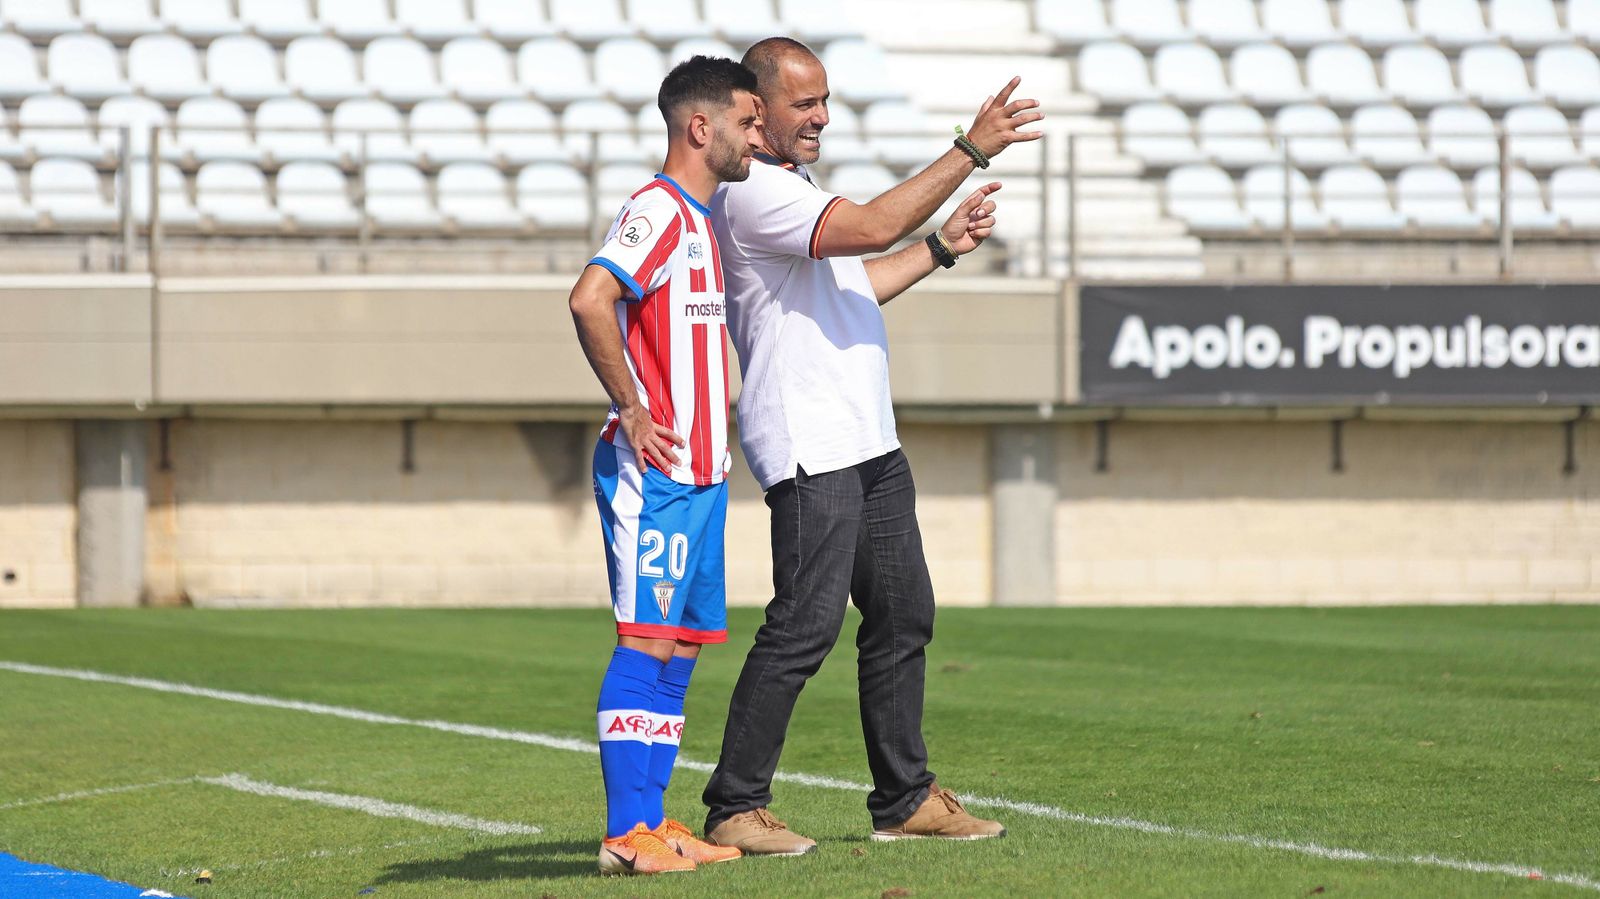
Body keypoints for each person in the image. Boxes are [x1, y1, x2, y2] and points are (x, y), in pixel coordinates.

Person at [699, 38, 1044, 855]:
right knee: (805, 624)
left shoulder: (797, 189)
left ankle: (905, 797)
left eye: (825, 100)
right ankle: (734, 804)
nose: (821, 116)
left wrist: (940, 249)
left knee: (902, 611)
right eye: (803, 104)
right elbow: (874, 223)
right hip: (810, 439)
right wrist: (969, 149)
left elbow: (864, 279)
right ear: (758, 110)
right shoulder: (754, 193)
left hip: (866, 437)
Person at [568, 55, 763, 877]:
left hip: (705, 478)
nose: (760, 137)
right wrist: (634, 405)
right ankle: (624, 833)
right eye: (749, 123)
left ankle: (653, 823)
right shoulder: (657, 210)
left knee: (680, 650)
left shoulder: (704, 222)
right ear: (701, 126)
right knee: (645, 641)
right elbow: (589, 297)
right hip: (658, 474)